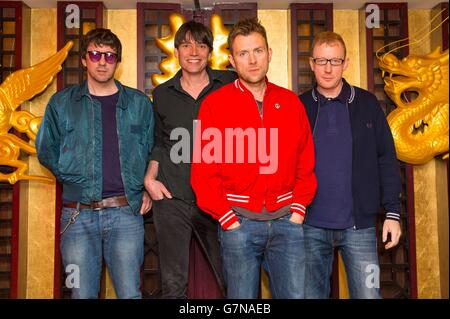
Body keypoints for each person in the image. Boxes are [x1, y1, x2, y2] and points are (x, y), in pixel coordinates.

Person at [191, 18, 317, 299]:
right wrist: (228, 219)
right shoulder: (215, 105)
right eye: (243, 53)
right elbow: (203, 171)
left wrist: (297, 210)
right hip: (239, 225)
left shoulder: (290, 102)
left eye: (258, 51)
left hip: (288, 223)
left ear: (269, 54)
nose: (252, 60)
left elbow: (305, 162)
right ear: (232, 61)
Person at [36, 28, 154, 299]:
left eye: (110, 56)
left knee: (130, 295)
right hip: (78, 218)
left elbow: (152, 150)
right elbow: (46, 149)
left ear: (118, 62)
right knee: (81, 294)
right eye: (96, 54)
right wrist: (73, 176)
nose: (102, 61)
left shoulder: (138, 103)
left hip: (126, 215)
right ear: (85, 59)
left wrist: (145, 187)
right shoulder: (62, 103)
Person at [299, 31, 402, 299]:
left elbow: (386, 158)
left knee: (369, 295)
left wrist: (393, 213)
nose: (328, 68)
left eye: (335, 61)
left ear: (346, 64)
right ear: (311, 64)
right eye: (321, 61)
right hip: (309, 226)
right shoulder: (299, 107)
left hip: (360, 228)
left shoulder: (367, 104)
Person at [143, 21, 236, 299]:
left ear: (210, 52)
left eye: (201, 45)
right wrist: (149, 178)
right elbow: (160, 142)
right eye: (186, 45)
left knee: (233, 280)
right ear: (176, 51)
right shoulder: (161, 94)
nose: (193, 51)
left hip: (221, 200)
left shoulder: (230, 85)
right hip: (173, 199)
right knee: (173, 286)